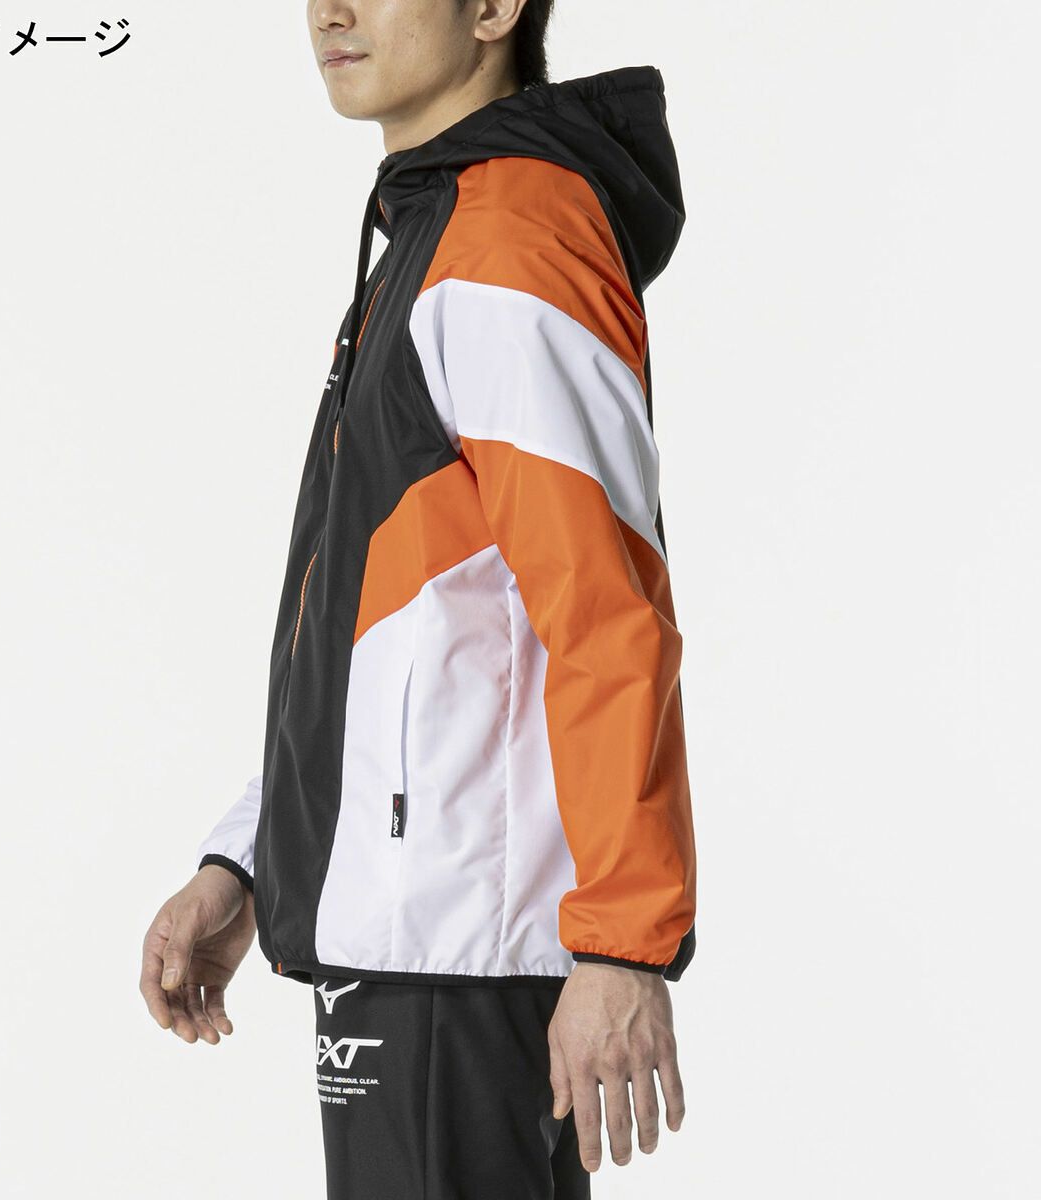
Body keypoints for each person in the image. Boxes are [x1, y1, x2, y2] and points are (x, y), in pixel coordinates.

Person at [139, 3, 698, 1195]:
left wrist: (622, 940)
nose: (329, 12)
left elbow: (604, 608)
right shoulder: (439, 231)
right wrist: (252, 860)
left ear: (493, 9)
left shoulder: (511, 240)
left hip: (460, 949)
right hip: (413, 936)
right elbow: (383, 630)